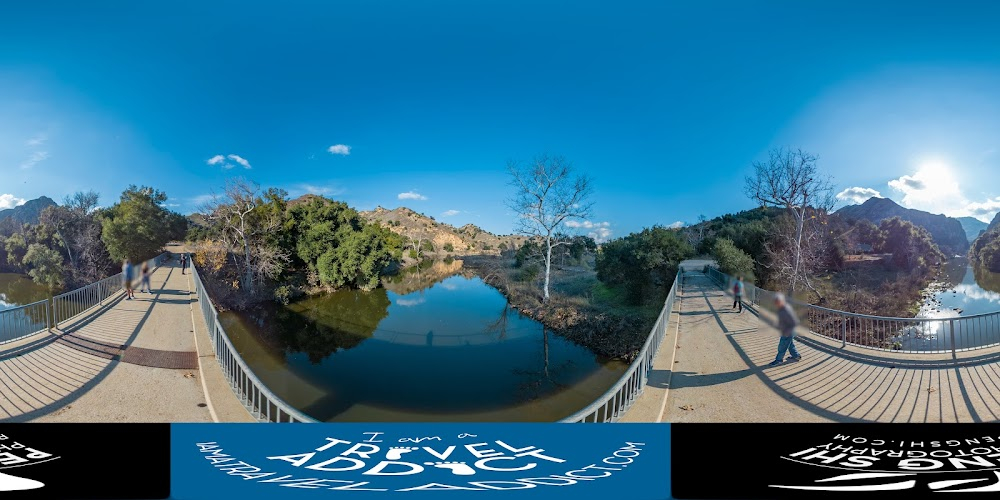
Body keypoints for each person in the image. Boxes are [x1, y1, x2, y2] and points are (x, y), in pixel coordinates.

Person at [768, 293, 801, 366]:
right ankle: (796, 356)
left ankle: (779, 360)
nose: (776, 304)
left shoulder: (786, 309)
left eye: (777, 302)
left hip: (787, 332)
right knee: (790, 344)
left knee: (782, 346)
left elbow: (794, 322)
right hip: (787, 331)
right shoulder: (783, 308)